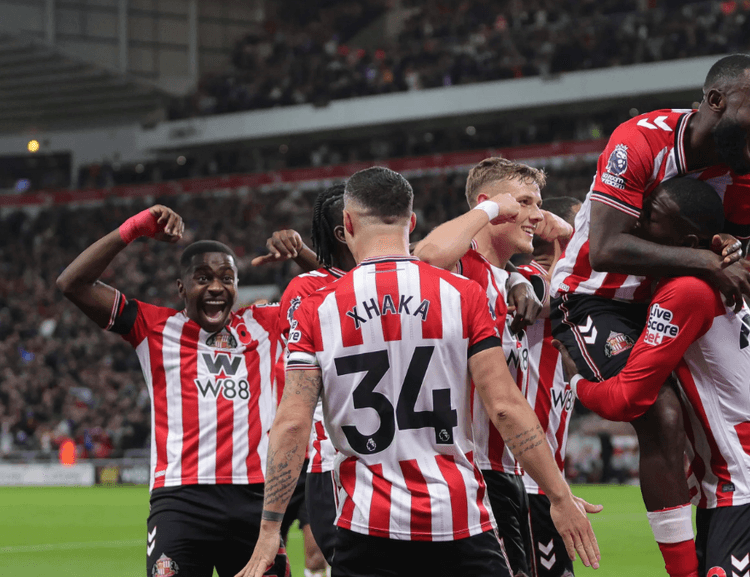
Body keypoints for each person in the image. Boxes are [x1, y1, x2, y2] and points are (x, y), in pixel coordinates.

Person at [235, 166, 601, 577]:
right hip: (457, 512)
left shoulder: (316, 307)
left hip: (366, 519)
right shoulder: (461, 293)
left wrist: (270, 528)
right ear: (411, 223)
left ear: (348, 224)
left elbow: (291, 424)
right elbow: (504, 406)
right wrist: (559, 495)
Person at [549, 53, 750, 577]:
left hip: (674, 293)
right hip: (597, 296)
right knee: (661, 415)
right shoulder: (640, 141)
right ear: (716, 100)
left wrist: (722, 255)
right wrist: (709, 262)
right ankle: (684, 570)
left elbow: (726, 257)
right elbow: (605, 248)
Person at [56, 205, 290, 577]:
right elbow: (72, 284)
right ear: (182, 288)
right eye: (203, 278)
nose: (216, 287)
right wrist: (131, 229)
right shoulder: (154, 327)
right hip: (181, 501)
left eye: (227, 278)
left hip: (254, 499)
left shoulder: (267, 323)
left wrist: (302, 253)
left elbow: (336, 294)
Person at [413, 157, 573, 577]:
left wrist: (562, 231)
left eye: (539, 205)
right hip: (468, 471)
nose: (536, 215)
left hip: (505, 473)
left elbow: (581, 279)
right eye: (524, 202)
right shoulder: (462, 270)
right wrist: (487, 210)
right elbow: (426, 254)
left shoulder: (514, 283)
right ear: (491, 203)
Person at [253, 183, 355, 577]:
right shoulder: (306, 290)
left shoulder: (392, 277)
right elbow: (336, 287)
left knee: (324, 556)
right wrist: (306, 256)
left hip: (364, 452)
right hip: (313, 449)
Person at [515, 196, 582, 577]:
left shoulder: (571, 287)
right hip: (526, 482)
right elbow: (534, 301)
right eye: (578, 225)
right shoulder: (530, 276)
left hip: (544, 482)